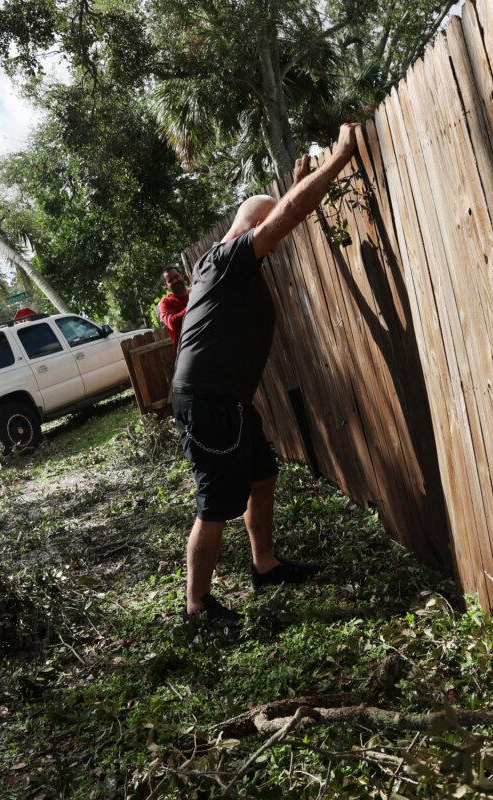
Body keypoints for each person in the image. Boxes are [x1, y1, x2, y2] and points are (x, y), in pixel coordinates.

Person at [172, 122, 361, 626]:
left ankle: (265, 565)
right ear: (252, 229)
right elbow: (288, 214)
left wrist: (297, 177)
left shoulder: (232, 267)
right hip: (210, 398)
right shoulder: (229, 258)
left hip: (226, 397)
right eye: (266, 235)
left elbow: (286, 209)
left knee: (262, 472)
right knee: (214, 502)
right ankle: (198, 609)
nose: (271, 249)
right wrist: (337, 160)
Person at [157, 267, 190, 346]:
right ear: (166, 285)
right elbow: (172, 323)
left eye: (176, 277)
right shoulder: (165, 302)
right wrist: (193, 305)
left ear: (181, 276)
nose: (175, 281)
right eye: (170, 280)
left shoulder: (195, 292)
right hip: (187, 348)